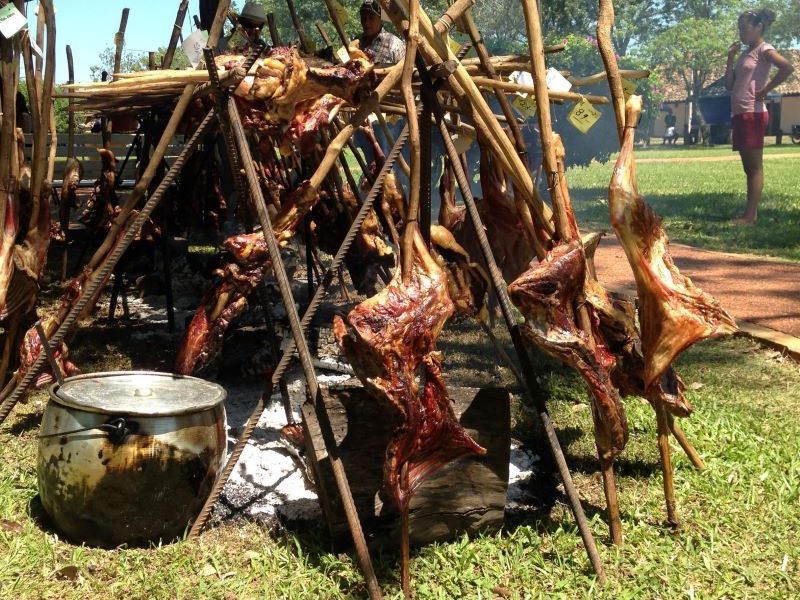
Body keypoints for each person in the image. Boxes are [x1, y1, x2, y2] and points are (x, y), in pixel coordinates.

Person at [724, 8, 794, 224]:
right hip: (741, 113)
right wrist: (730, 58)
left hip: (753, 114)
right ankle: (750, 214)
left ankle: (749, 217)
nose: (741, 32)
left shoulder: (765, 49)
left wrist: (765, 91)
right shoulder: (745, 54)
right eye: (739, 28)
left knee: (754, 167)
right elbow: (729, 85)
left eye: (744, 28)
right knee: (748, 167)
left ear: (758, 27)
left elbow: (786, 67)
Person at [357, 0, 405, 67]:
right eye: (364, 19)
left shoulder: (394, 44)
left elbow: (407, 71)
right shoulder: (357, 41)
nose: (366, 23)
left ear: (381, 20)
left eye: (371, 18)